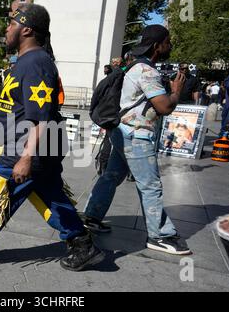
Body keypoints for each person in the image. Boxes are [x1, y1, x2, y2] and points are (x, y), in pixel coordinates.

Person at [0, 4, 105, 271]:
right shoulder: (23, 63)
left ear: (27, 29)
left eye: (11, 23)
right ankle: (82, 245)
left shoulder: (37, 63)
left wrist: (26, 158)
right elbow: (8, 106)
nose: (7, 29)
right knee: (51, 197)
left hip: (26, 147)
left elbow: (40, 116)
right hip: (35, 148)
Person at [81, 25, 192, 255]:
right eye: (167, 41)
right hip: (137, 135)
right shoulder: (147, 71)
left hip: (122, 132)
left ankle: (91, 216)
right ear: (156, 46)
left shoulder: (132, 66)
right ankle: (159, 235)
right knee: (150, 185)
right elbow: (165, 106)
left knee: (111, 176)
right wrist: (177, 90)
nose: (169, 45)